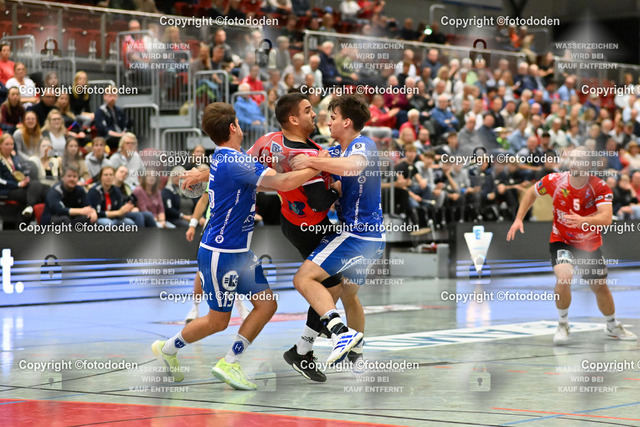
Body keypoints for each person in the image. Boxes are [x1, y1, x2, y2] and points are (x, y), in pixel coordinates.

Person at [151, 102, 321, 390]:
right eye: (239, 124)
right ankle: (167, 349)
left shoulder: (226, 157)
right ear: (233, 128)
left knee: (267, 305)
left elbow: (264, 181)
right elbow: (282, 183)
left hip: (241, 253)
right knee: (218, 321)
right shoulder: (235, 161)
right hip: (221, 253)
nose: (242, 128)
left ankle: (230, 362)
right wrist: (318, 163)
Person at [248, 93, 351, 381]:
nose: (314, 114)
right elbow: (318, 202)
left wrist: (204, 173)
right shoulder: (308, 156)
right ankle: (309, 346)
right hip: (310, 226)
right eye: (308, 110)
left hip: (293, 222)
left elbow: (240, 162)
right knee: (330, 287)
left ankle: (304, 348)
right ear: (293, 119)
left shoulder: (269, 141)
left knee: (333, 285)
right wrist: (337, 189)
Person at [289, 94, 385, 365]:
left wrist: (314, 163)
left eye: (333, 118)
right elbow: (307, 162)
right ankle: (356, 354)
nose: (328, 122)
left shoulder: (362, 144)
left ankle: (340, 334)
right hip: (373, 239)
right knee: (348, 294)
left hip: (358, 236)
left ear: (347, 122)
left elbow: (354, 166)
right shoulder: (333, 152)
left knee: (303, 279)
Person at [507, 147, 637, 344]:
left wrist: (583, 221)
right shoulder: (555, 180)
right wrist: (518, 219)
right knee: (564, 277)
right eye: (572, 158)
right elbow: (531, 193)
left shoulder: (599, 187)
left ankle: (612, 325)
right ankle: (563, 323)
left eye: (579, 159)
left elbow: (606, 218)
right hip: (562, 241)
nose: (574, 162)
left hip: (589, 245)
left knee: (600, 286)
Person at [0, 133, 48, 218]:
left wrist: (26, 178)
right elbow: (1, 181)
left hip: (21, 185)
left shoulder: (15, 158)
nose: (10, 147)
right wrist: (17, 184)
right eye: (7, 144)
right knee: (37, 193)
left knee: (45, 188)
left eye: (11, 144)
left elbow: (21, 171)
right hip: (8, 190)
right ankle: (29, 208)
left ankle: (30, 210)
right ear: (0, 145)